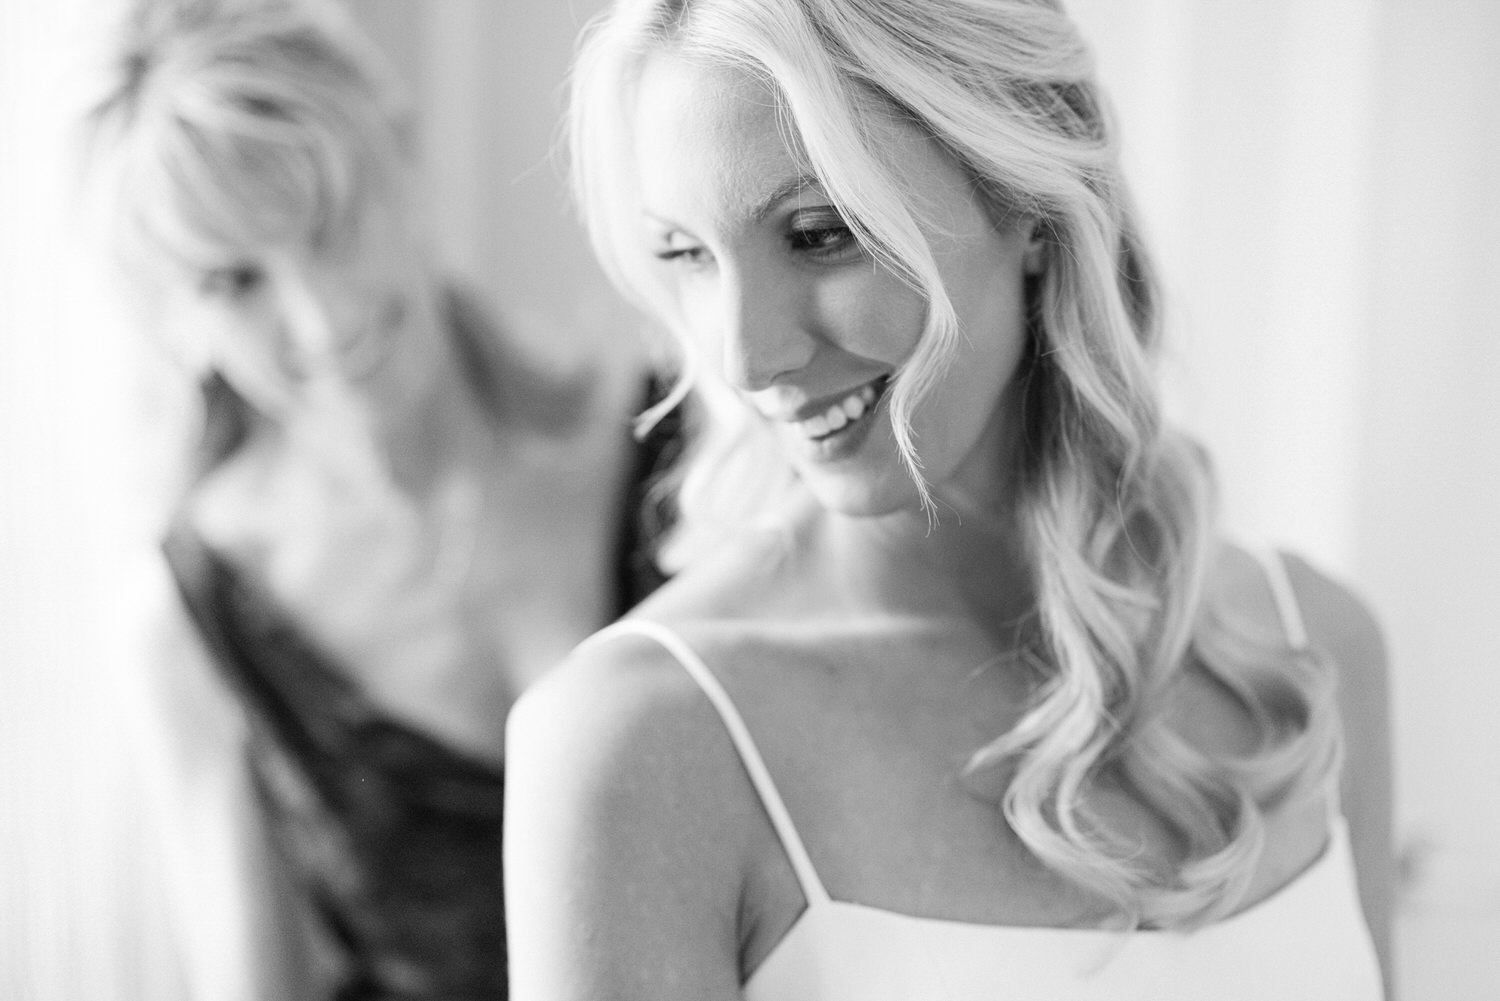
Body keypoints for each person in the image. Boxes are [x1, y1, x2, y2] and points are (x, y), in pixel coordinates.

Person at [503, 0, 1395, 998]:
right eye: (686, 254)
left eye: (818, 233)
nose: (745, 356)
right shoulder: (642, 745)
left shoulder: (1311, 647)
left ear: (1030, 204)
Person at [82, 1, 678, 998]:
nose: (318, 316)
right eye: (235, 281)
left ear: (405, 161)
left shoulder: (676, 449)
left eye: (325, 223)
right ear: (175, 322)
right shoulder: (199, 616)